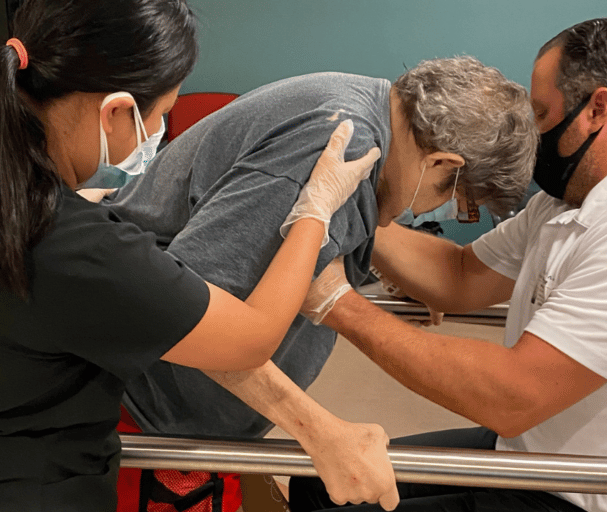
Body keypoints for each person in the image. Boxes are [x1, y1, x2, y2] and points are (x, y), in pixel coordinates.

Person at [0, 0, 380, 510]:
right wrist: (315, 209)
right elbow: (253, 336)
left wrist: (78, 199)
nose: (155, 136)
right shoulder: (77, 246)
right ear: (116, 111)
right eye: (160, 116)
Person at [288, 17, 607, 512]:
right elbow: (458, 277)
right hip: (531, 450)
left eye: (541, 113)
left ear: (598, 109)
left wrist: (336, 302)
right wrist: (353, 211)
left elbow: (512, 396)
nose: (531, 133)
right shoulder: (569, 201)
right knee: (319, 483)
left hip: (593, 496)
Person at [99, 57, 536, 506]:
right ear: (442, 160)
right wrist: (321, 431)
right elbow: (189, 317)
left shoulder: (363, 104)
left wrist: (361, 263)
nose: (429, 211)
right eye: (453, 196)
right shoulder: (338, 145)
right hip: (146, 415)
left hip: (181, 413)